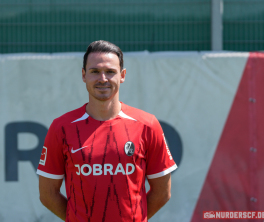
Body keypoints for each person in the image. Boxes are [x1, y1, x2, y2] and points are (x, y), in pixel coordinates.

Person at [37, 40, 177, 222]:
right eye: (95, 71)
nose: (103, 79)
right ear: (83, 75)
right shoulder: (61, 127)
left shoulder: (147, 124)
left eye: (110, 72)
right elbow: (48, 194)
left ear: (122, 75)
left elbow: (162, 193)